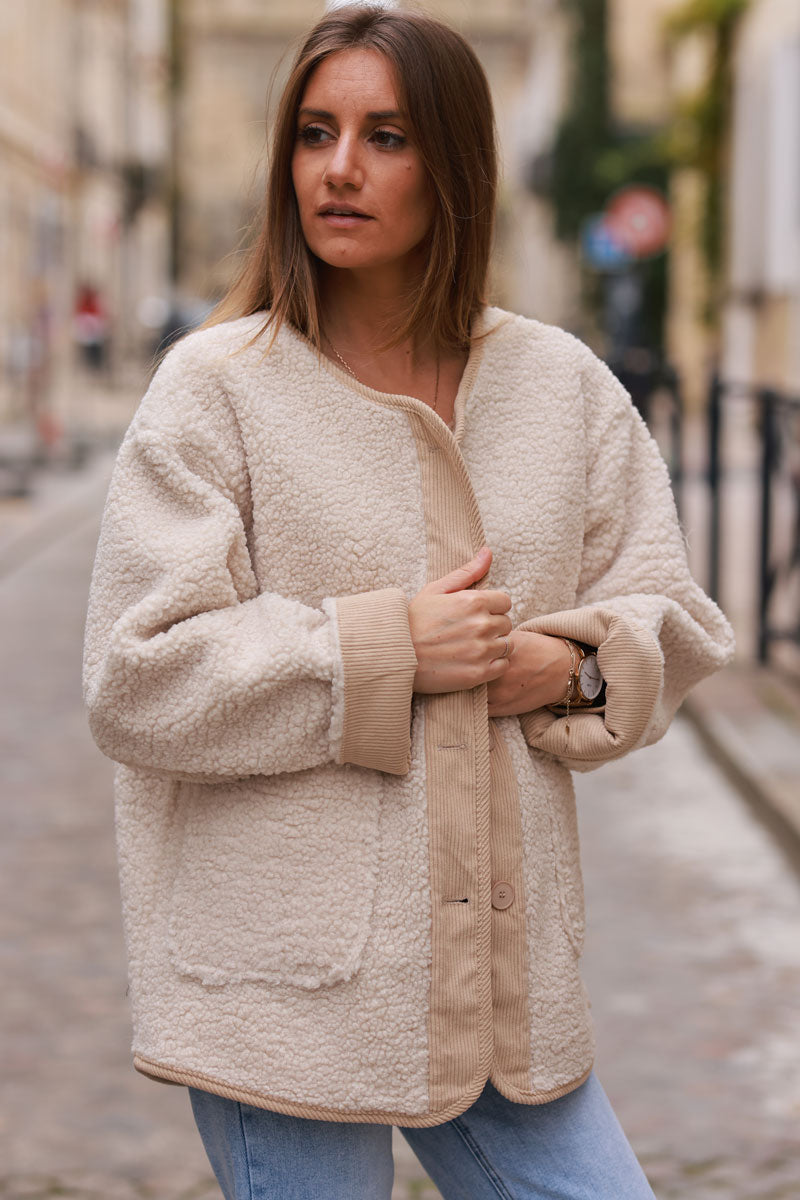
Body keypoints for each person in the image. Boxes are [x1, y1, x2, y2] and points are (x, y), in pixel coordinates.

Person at [82, 6, 734, 1197]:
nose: (339, 167)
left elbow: (669, 609)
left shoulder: (561, 387)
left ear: (454, 162)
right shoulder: (214, 389)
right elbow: (137, 676)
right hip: (280, 994)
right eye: (315, 132)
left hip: (495, 994)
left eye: (385, 135)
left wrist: (577, 665)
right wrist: (376, 649)